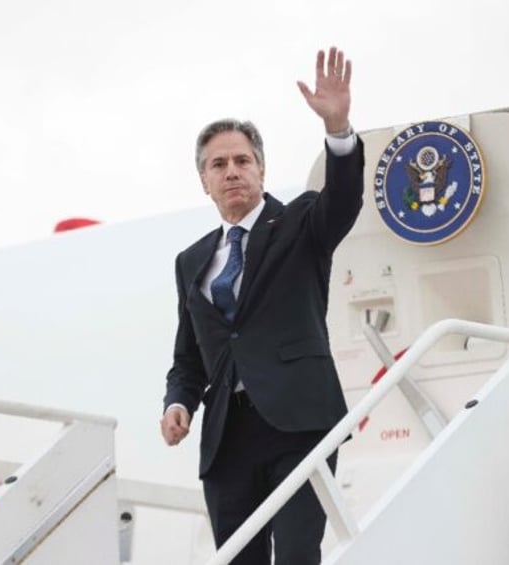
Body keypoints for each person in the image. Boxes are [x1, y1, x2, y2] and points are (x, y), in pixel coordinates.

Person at [161, 46, 364, 564]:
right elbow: (190, 355)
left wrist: (338, 129)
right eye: (218, 164)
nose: (232, 172)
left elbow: (343, 200)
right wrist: (178, 403)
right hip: (229, 435)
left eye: (242, 161)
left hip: (298, 421)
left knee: (297, 555)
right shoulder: (191, 262)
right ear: (203, 180)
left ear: (262, 170)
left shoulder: (300, 224)